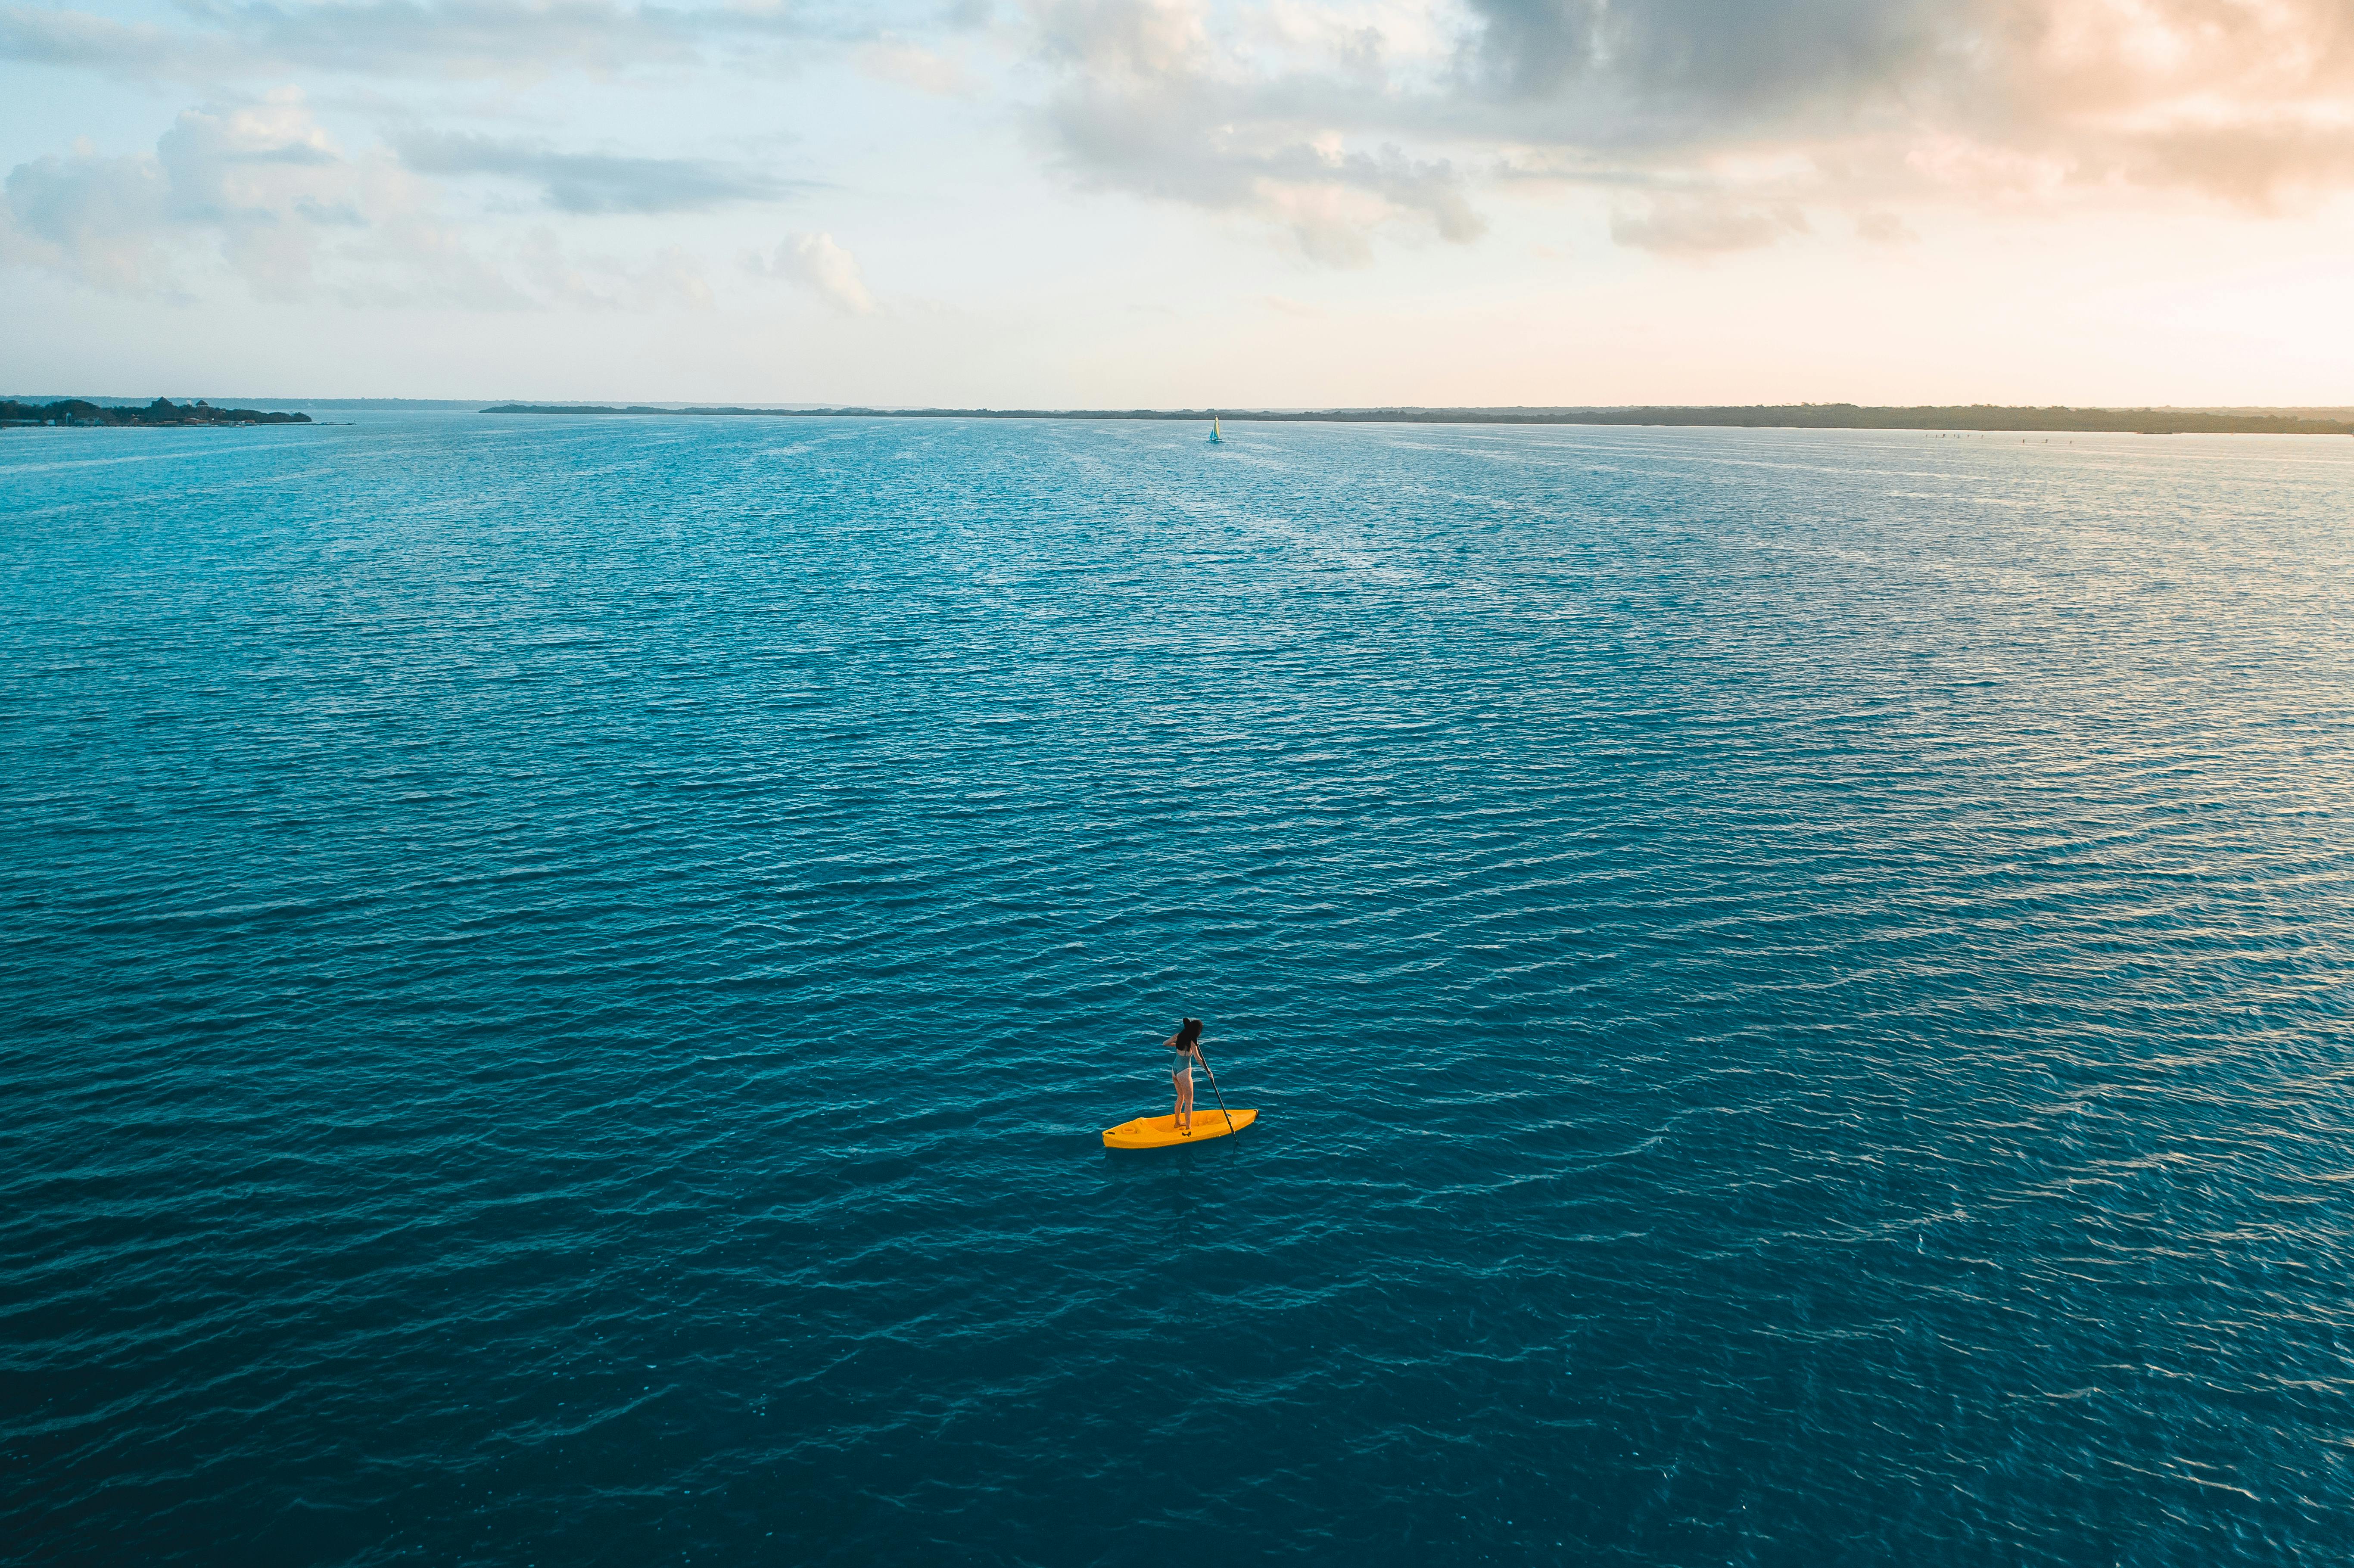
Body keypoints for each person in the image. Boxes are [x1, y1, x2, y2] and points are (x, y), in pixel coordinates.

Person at [1164, 1017, 1204, 1135]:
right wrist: (1208, 1071)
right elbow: (1198, 1059)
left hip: (1174, 1071)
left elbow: (1165, 1043)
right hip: (1184, 1072)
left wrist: (1177, 1045)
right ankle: (1188, 1128)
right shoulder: (1192, 1043)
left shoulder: (1178, 1036)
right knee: (1189, 1100)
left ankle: (1177, 1123)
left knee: (1180, 1097)